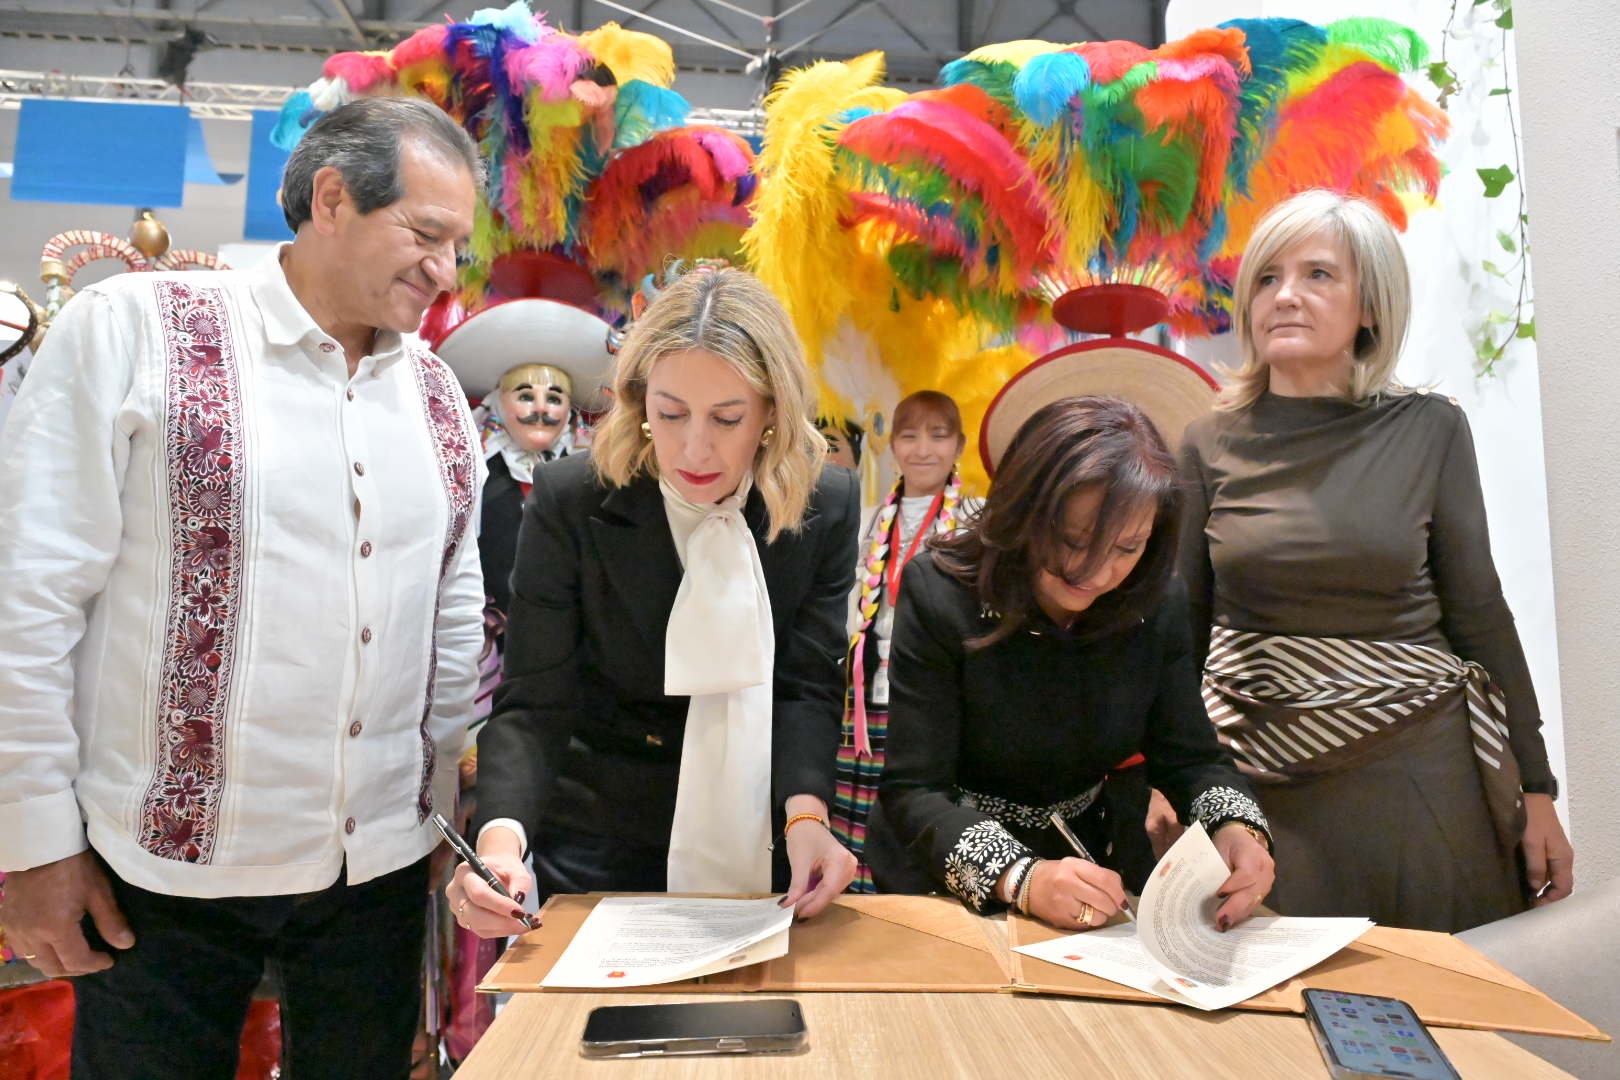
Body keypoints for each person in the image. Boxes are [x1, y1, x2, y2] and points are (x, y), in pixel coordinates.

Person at [0, 97, 487, 1079]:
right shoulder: (135, 329)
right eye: (426, 235)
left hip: (375, 872)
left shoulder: (435, 391)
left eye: (458, 247)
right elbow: (33, 594)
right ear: (333, 200)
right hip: (161, 874)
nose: (445, 270)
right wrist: (36, 842)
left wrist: (437, 807)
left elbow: (451, 608)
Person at [1178, 189, 1574, 933]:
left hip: (1416, 776)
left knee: (1433, 991)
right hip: (1259, 786)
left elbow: (1480, 613)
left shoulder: (1430, 428)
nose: (1284, 295)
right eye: (1267, 278)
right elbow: (1182, 630)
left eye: (1318, 275)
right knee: (1270, 993)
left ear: (1370, 307)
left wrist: (1537, 788)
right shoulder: (1206, 442)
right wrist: (1169, 779)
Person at [450, 267, 860, 936]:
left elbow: (804, 685)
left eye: (727, 418)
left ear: (772, 414)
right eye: (670, 414)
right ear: (639, 402)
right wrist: (500, 844)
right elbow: (534, 703)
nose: (695, 447)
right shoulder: (572, 499)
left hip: (762, 830)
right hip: (598, 832)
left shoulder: (824, 505)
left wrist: (807, 818)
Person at [880, 395, 1274, 931]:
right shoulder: (942, 590)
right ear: (1024, 510)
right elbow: (915, 790)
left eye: (1127, 547)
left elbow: (1190, 757)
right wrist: (1020, 877)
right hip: (944, 874)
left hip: (1094, 864)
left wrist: (1237, 829)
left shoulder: (1156, 600)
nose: (1096, 572)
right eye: (1073, 541)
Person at [834, 391, 980, 892]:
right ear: (892, 444)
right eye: (910, 436)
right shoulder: (867, 517)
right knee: (855, 812)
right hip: (865, 698)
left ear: (959, 444)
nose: (923, 449)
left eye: (938, 436)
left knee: (919, 804)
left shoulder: (979, 518)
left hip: (936, 696)